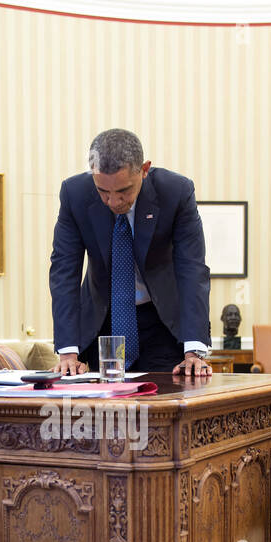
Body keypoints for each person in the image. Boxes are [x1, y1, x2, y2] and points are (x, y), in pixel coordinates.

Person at [49, 128, 211, 377]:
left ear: (144, 170)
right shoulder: (75, 194)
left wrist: (194, 350)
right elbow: (64, 271)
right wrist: (68, 352)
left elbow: (192, 268)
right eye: (103, 191)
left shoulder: (176, 192)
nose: (114, 202)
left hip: (160, 322)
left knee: (158, 406)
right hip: (102, 322)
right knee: (104, 411)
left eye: (123, 191)